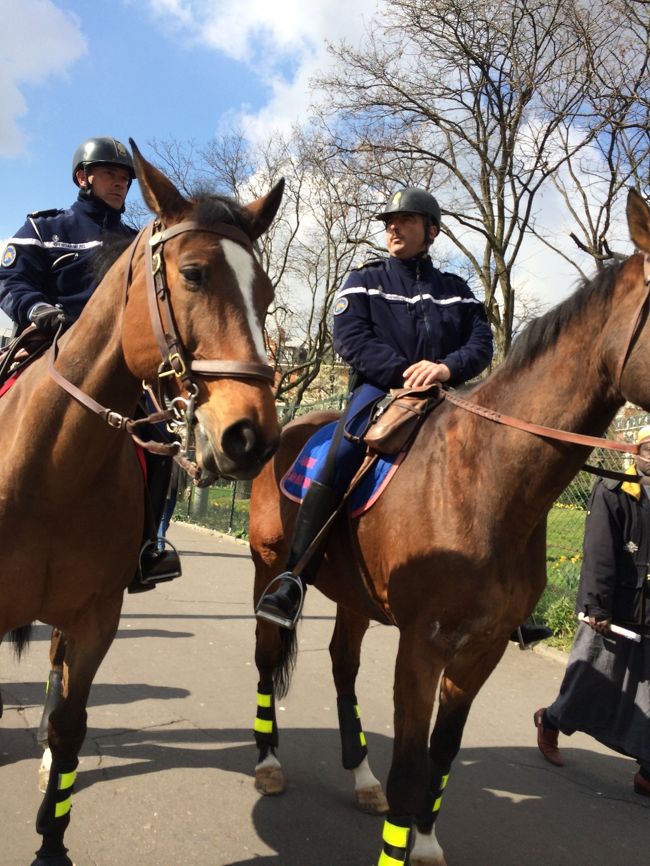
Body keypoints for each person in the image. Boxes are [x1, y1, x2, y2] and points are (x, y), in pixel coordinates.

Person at [255, 186, 552, 648]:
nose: (394, 227)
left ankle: (511, 597)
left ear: (431, 231)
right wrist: (402, 373)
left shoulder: (457, 291)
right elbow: (350, 338)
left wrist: (446, 368)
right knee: (343, 454)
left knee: (508, 464)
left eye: (406, 221)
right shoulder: (364, 279)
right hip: (379, 390)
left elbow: (481, 345)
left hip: (449, 393)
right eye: (390, 221)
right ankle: (294, 577)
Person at [0, 136, 180, 589]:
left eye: (125, 178)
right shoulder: (45, 228)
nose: (120, 183)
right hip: (46, 346)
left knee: (160, 449)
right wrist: (35, 309)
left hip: (114, 369)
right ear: (83, 177)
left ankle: (145, 549)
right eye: (110, 175)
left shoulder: (137, 244)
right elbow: (10, 278)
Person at [534, 425, 650, 797]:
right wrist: (596, 606)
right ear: (635, 452)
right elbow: (599, 551)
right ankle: (551, 719)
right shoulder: (614, 492)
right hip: (616, 612)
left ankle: (648, 770)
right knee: (590, 682)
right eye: (649, 447)